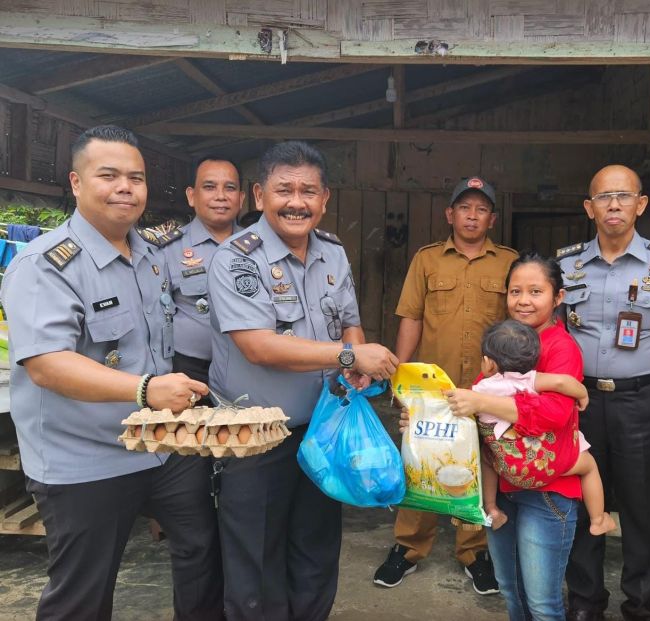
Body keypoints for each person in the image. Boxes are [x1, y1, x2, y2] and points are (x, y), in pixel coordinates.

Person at [0, 125, 222, 620]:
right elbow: (47, 364)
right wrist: (145, 389)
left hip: (160, 447)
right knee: (83, 590)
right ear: (77, 183)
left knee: (203, 548)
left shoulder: (148, 256)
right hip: (83, 458)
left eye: (136, 178)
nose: (126, 187)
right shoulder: (46, 265)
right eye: (109, 175)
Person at [206, 140, 398, 620]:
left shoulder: (332, 253)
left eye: (308, 191)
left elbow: (349, 320)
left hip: (323, 429)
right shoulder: (237, 258)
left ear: (325, 198)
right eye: (284, 190)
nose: (297, 201)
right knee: (257, 562)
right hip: (255, 438)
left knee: (315, 552)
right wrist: (351, 352)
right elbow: (259, 346)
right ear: (259, 195)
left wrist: (351, 360)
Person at [560, 165, 650, 621]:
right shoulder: (566, 265)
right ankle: (585, 602)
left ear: (641, 204)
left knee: (641, 507)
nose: (614, 205)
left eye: (624, 196)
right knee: (579, 499)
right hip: (577, 401)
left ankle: (641, 606)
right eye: (603, 197)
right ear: (589, 208)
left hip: (641, 401)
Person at [373, 176, 517, 596]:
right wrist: (401, 379)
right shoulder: (427, 259)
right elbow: (411, 318)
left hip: (487, 387)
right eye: (465, 208)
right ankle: (408, 546)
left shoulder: (507, 262)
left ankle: (473, 551)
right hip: (432, 386)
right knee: (421, 459)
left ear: (492, 218)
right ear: (449, 214)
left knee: (477, 462)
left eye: (482, 209)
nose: (472, 215)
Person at [444, 252, 585, 620]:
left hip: (548, 493)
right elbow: (479, 415)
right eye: (515, 291)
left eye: (536, 291)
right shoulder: (499, 342)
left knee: (542, 603)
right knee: (511, 593)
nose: (523, 300)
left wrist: (481, 399)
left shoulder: (561, 347)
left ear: (558, 297)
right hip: (502, 491)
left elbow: (555, 415)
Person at [475, 319, 614, 538]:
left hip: (507, 467)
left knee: (486, 457)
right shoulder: (528, 380)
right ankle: (598, 520)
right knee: (588, 465)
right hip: (544, 466)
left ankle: (492, 508)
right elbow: (561, 383)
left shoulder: (480, 388)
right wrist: (583, 394)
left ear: (488, 363)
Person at [159, 156, 244, 388]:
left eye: (230, 188)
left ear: (241, 198)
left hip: (249, 370)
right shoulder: (167, 249)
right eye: (209, 187)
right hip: (189, 372)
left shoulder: (261, 246)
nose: (220, 196)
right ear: (191, 196)